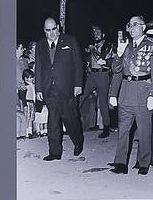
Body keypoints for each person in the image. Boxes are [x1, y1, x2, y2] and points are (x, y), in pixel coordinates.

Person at [108, 15, 153, 175]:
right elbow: (116, 71)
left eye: (134, 25)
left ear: (143, 27)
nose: (130, 28)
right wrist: (113, 94)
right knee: (123, 129)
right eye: (129, 25)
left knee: (144, 130)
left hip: (143, 92)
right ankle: (121, 162)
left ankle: (143, 161)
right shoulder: (126, 46)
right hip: (125, 92)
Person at [34, 18, 84, 160]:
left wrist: (78, 84)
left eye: (54, 29)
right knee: (53, 120)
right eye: (48, 30)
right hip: (48, 88)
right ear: (44, 31)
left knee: (70, 119)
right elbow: (39, 68)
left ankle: (78, 141)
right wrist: (38, 89)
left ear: (58, 27)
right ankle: (55, 152)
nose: (52, 33)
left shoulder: (70, 41)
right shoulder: (40, 45)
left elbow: (78, 65)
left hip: (67, 88)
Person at [81, 25, 114, 136]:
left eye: (98, 33)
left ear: (103, 34)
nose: (96, 35)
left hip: (102, 75)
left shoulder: (109, 46)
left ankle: (106, 128)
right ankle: (72, 123)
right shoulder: (91, 45)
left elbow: (110, 60)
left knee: (103, 103)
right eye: (94, 33)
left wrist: (93, 50)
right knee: (81, 96)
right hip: (91, 75)